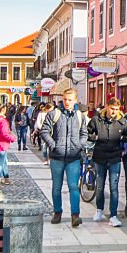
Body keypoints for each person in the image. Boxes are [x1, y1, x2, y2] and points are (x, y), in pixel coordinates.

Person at [40, 87, 89, 227]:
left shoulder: (80, 116)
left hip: (73, 157)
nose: (67, 102)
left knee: (74, 186)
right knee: (56, 187)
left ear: (75, 100)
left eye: (70, 100)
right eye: (65, 99)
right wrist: (52, 144)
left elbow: (84, 133)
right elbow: (44, 131)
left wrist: (80, 144)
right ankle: (57, 211)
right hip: (57, 156)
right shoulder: (54, 114)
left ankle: (75, 215)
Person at [88, 97, 127, 227]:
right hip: (99, 157)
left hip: (115, 157)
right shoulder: (96, 120)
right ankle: (99, 210)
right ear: (107, 106)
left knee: (114, 187)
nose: (114, 112)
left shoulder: (122, 122)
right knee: (99, 186)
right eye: (112, 109)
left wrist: (123, 138)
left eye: (117, 109)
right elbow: (86, 133)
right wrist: (96, 137)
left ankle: (113, 215)